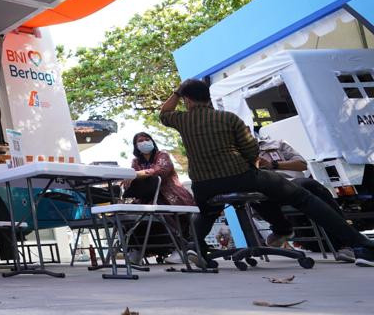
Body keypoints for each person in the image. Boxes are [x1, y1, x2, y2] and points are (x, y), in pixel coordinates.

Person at [160, 79, 374, 268]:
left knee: (207, 212)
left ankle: (194, 247)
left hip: (203, 185)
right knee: (302, 197)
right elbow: (251, 150)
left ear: (187, 100)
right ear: (208, 98)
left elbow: (164, 112)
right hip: (241, 177)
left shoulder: (182, 119)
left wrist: (179, 91)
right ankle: (361, 246)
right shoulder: (228, 118)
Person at [255, 133, 355, 262]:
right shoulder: (234, 151)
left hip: (291, 182)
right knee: (254, 194)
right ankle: (281, 229)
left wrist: (274, 165)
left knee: (310, 184)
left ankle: (347, 243)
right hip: (265, 188)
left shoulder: (276, 144)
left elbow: (302, 164)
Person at [124, 132, 195, 264]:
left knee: (162, 212)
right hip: (146, 198)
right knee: (129, 215)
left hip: (170, 195)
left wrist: (138, 174)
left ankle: (179, 249)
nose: (144, 142)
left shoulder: (162, 155)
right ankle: (136, 250)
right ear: (136, 146)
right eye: (140, 141)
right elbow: (130, 179)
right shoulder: (136, 162)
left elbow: (162, 170)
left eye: (147, 139)